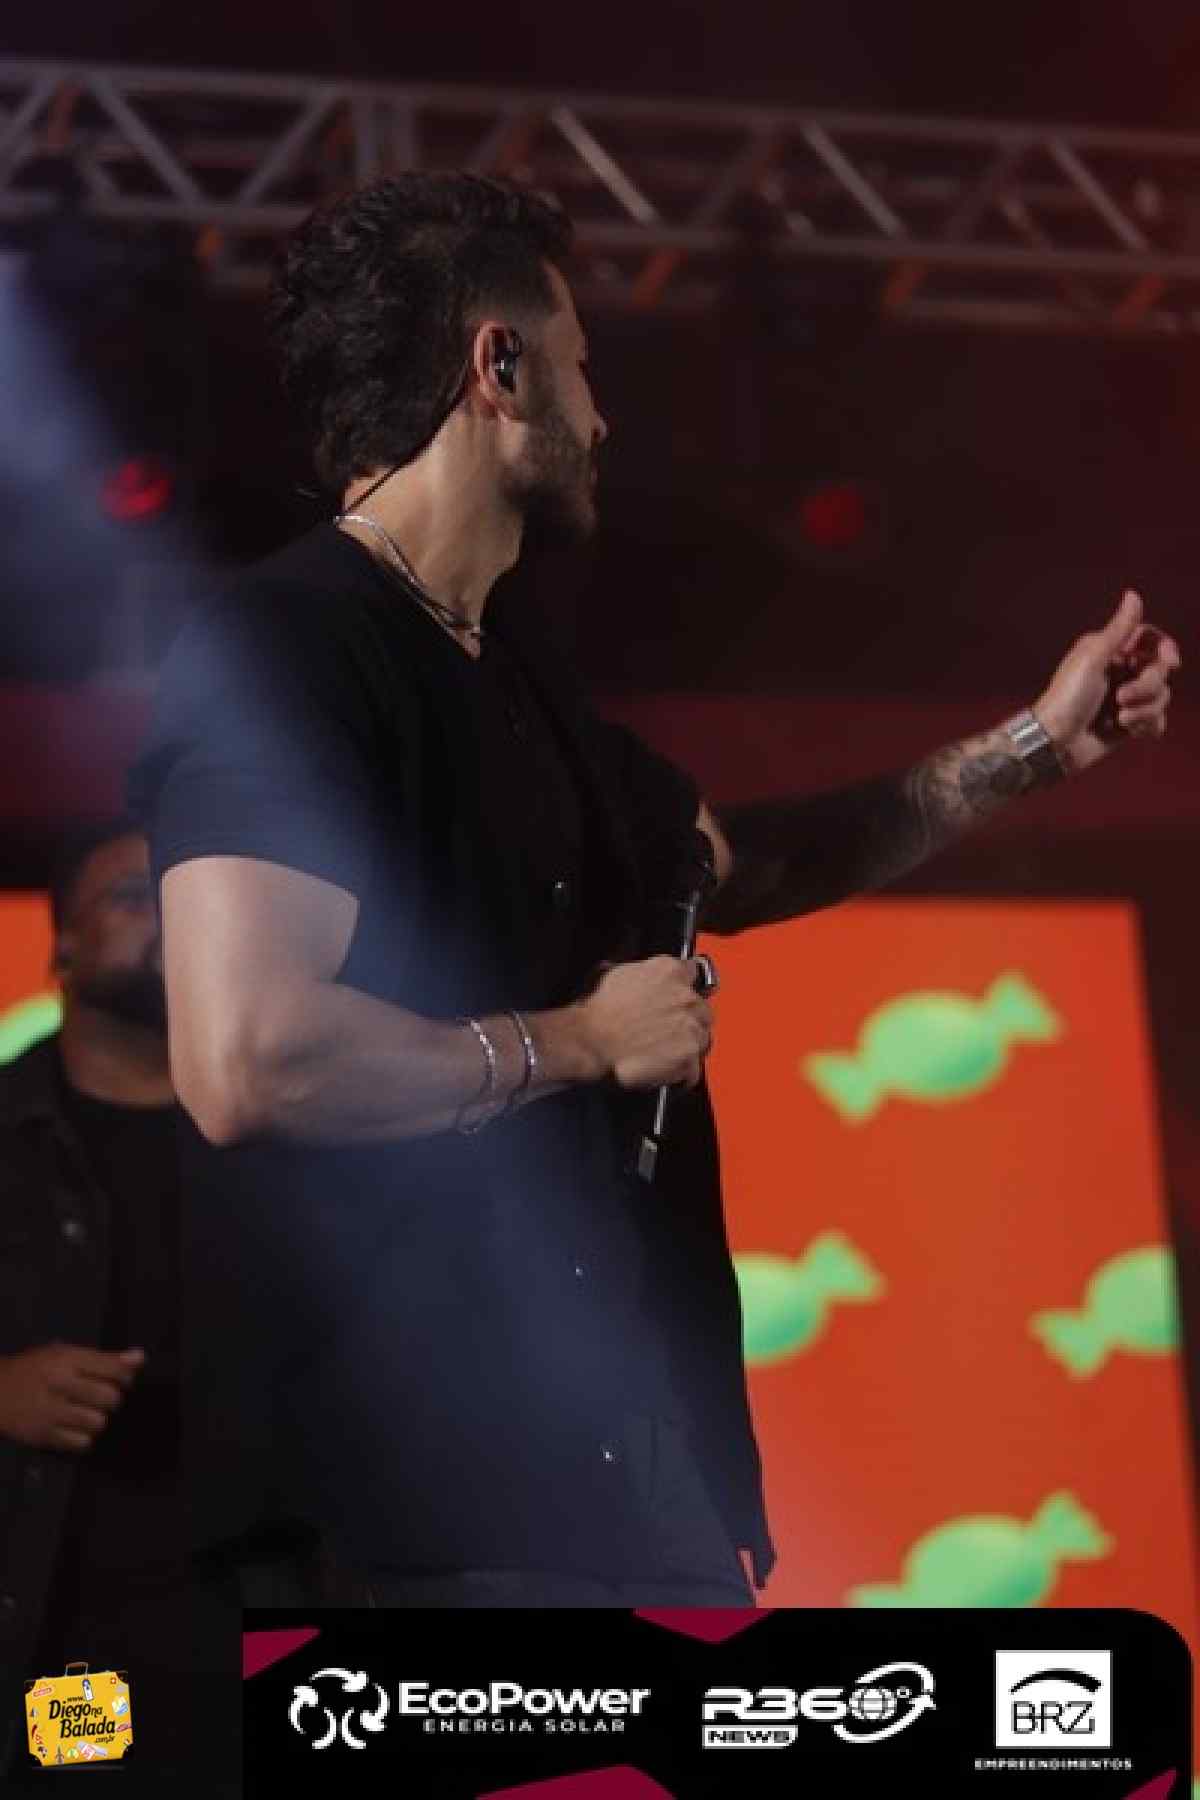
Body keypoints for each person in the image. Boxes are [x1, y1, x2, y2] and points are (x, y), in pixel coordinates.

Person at [129, 173, 1179, 1611]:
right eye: (580, 364)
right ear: (498, 367)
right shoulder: (291, 645)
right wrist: (577, 1041)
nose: (605, 415)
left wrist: (1036, 749)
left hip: (628, 1487)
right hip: (414, 1518)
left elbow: (746, 862)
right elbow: (249, 1057)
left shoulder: (523, 681)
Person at [0, 823, 236, 1791]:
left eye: (186, 903)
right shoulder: (9, 1133)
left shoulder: (283, 1138)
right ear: (61, 944)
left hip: (267, 1621)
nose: (168, 924)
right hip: (74, 1642)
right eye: (136, 898)